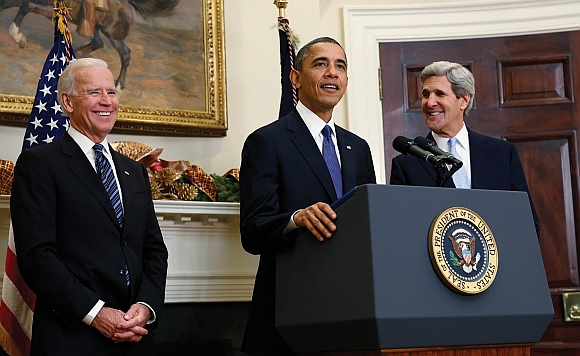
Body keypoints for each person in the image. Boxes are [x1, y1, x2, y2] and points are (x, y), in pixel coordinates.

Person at [10, 58, 168, 355]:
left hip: (135, 336)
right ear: (67, 102)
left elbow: (154, 250)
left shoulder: (133, 171)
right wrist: (96, 313)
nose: (107, 101)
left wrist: (145, 307)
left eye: (111, 92)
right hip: (72, 338)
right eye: (94, 92)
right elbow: (37, 256)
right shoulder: (40, 164)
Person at [239, 37, 376, 355]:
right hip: (290, 313)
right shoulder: (267, 141)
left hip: (351, 312)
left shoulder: (358, 148)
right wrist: (294, 219)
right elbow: (252, 232)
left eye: (340, 66)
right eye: (321, 64)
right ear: (296, 78)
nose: (332, 73)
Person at [390, 60, 540, 237]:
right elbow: (401, 232)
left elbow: (526, 223)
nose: (430, 103)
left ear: (464, 100)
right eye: (426, 94)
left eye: (439, 94)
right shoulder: (407, 164)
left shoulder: (501, 154)